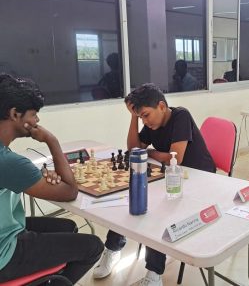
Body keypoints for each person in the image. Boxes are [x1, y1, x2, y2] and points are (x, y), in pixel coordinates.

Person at [93, 84, 215, 286]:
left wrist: (149, 153)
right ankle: (112, 250)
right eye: (140, 117)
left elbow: (175, 157)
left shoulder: (180, 116)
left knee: (157, 213)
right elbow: (133, 149)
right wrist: (133, 117)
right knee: (131, 198)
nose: (145, 121)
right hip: (171, 177)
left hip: (199, 178)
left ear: (161, 106)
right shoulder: (152, 124)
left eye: (146, 115)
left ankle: (154, 274)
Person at [0, 74, 104, 284]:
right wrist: (51, 140)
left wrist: (37, 179)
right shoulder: (8, 162)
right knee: (93, 246)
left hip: (6, 228)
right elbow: (70, 191)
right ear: (14, 114)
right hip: (5, 253)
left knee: (67, 227)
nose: (37, 121)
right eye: (34, 114)